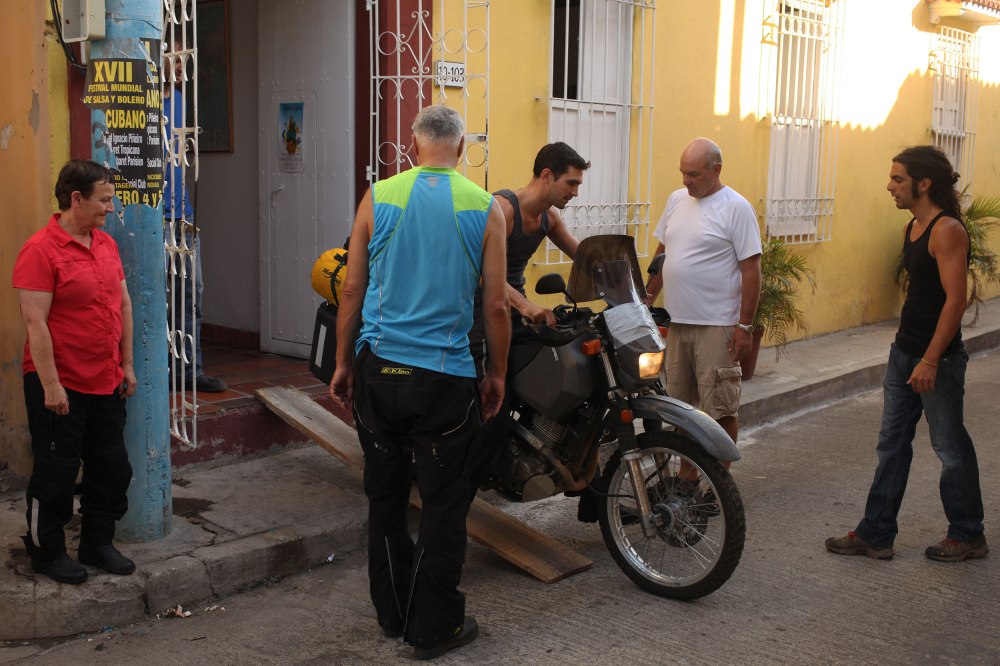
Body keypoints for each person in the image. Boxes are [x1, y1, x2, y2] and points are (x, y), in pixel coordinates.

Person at [329, 105, 510, 660]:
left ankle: (391, 613)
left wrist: (341, 363)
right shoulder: (485, 208)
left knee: (384, 498)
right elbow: (497, 305)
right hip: (445, 379)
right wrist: (497, 372)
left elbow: (352, 289)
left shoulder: (378, 197)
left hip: (380, 371)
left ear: (413, 145)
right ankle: (433, 627)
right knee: (443, 503)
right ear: (460, 148)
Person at [826, 146, 988, 562]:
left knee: (949, 447)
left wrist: (930, 359)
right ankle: (877, 533)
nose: (890, 185)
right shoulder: (911, 228)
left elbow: (956, 300)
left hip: (938, 360)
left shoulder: (945, 229)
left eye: (898, 179)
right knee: (892, 446)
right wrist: (909, 353)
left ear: (924, 183)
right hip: (904, 354)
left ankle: (969, 533)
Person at [12, 160, 138, 584]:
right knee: (56, 472)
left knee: (112, 467)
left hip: (105, 378)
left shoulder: (106, 245)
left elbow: (122, 305)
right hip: (59, 382)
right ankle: (46, 552)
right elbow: (36, 323)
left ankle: (97, 542)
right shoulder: (40, 250)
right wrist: (51, 386)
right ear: (75, 198)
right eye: (104, 199)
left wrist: (128, 365)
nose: (110, 207)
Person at [644, 137, 762, 450]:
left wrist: (745, 327)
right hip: (678, 323)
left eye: (694, 174)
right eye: (683, 172)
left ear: (716, 169)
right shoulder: (676, 200)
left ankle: (717, 483)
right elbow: (663, 252)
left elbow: (751, 270)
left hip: (717, 325)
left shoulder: (736, 207)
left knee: (720, 409)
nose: (686, 180)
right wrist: (647, 298)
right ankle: (688, 480)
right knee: (682, 411)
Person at [163, 40, 226, 393]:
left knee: (190, 295)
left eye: (185, 57)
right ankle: (157, 370)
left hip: (182, 217)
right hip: (149, 217)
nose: (180, 63)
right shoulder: (140, 99)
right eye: (175, 55)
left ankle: (189, 370)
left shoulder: (182, 100)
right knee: (154, 298)